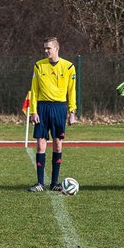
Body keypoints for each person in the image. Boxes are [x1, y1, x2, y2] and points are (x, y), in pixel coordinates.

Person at [27, 38, 77, 192]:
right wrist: (34, 111)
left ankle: (54, 182)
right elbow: (34, 90)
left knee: (58, 143)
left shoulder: (69, 67)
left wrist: (72, 111)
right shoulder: (38, 65)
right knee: (41, 143)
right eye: (44, 48)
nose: (46, 51)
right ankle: (40, 183)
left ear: (56, 48)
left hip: (59, 108)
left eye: (48, 48)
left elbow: (72, 91)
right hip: (42, 107)